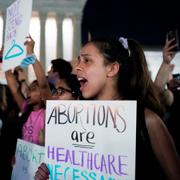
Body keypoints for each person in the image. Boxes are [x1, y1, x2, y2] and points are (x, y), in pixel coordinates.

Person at [35, 37, 180, 180]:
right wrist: (48, 172)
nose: (77, 68)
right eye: (79, 61)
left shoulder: (147, 121)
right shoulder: (74, 120)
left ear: (112, 69)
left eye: (86, 60)